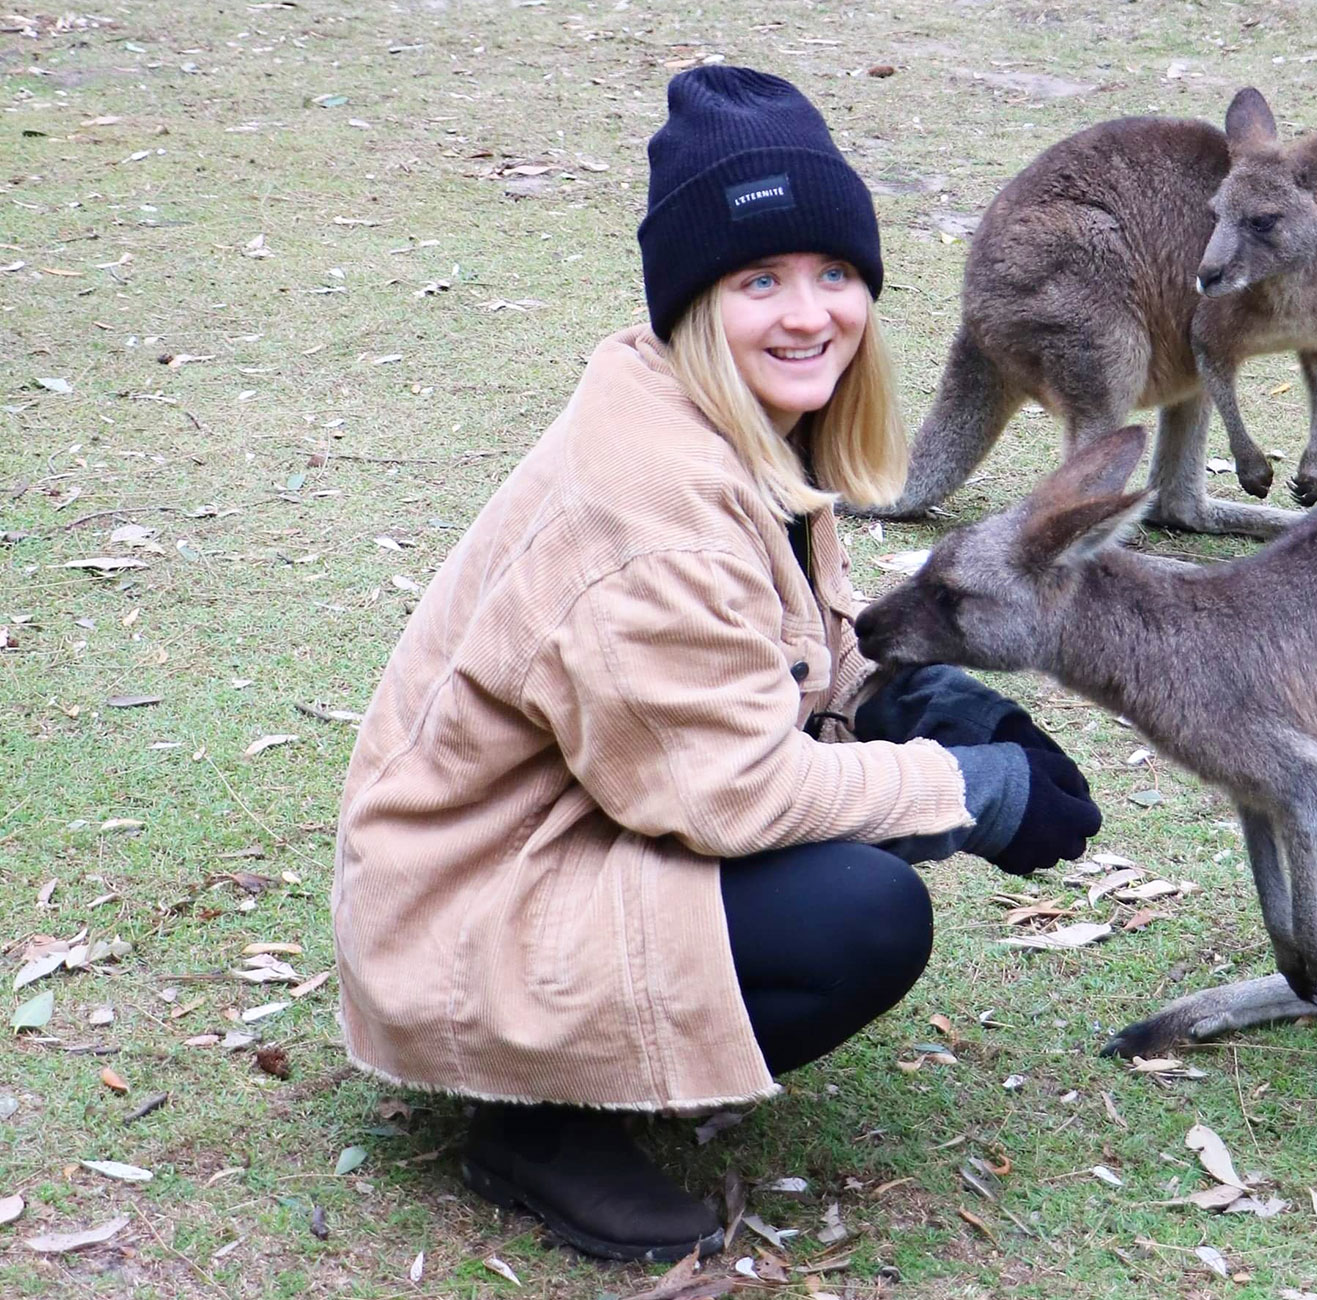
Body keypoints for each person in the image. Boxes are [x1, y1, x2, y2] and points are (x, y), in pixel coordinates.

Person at [330, 65, 1103, 1263]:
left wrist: (918, 696)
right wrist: (968, 793)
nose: (810, 315)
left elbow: (794, 650)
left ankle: (604, 1054)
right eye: (759, 280)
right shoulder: (654, 507)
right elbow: (733, 791)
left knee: (846, 865)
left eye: (833, 272)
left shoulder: (746, 425)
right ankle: (535, 1124)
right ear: (694, 300)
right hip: (462, 918)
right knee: (859, 917)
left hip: (571, 836)